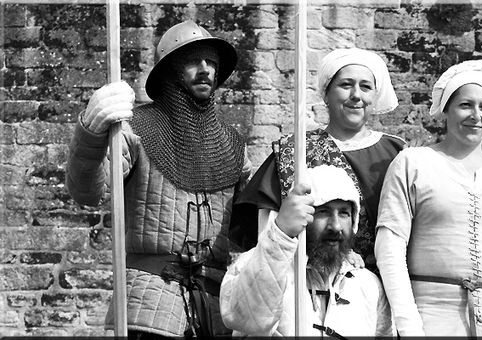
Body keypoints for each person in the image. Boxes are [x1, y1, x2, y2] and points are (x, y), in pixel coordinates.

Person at [66, 21, 247, 338]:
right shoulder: (136, 129)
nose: (205, 70)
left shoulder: (232, 146)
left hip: (213, 311)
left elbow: (252, 229)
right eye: (194, 61)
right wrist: (91, 135)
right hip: (148, 305)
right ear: (170, 70)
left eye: (212, 63)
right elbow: (88, 192)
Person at [374, 60, 482, 336]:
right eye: (465, 105)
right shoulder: (412, 163)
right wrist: (409, 324)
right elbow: (390, 247)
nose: (476, 115)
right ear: (446, 109)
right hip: (432, 314)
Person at [235, 48, 405, 273]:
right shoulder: (296, 151)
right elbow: (269, 232)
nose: (356, 95)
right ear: (327, 93)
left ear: (374, 95)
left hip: (383, 283)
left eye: (365, 86)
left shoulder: (396, 151)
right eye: (345, 85)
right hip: (312, 283)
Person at [220, 165, 394, 337]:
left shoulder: (368, 285)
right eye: (322, 211)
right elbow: (245, 320)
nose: (335, 226)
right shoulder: (254, 264)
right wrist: (281, 235)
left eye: (344, 213)